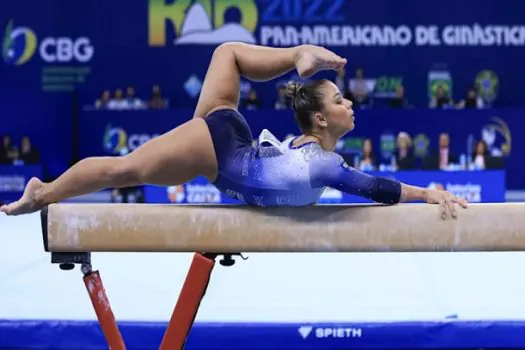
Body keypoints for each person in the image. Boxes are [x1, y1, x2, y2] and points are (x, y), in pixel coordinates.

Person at [1, 43, 467, 219]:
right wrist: (430, 194)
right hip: (221, 150)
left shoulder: (316, 156)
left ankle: (297, 54)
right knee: (126, 170)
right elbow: (374, 188)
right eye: (341, 100)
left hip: (238, 149)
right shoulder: (324, 163)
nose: (352, 104)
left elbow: (368, 184)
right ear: (321, 119)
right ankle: (43, 193)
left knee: (228, 52)